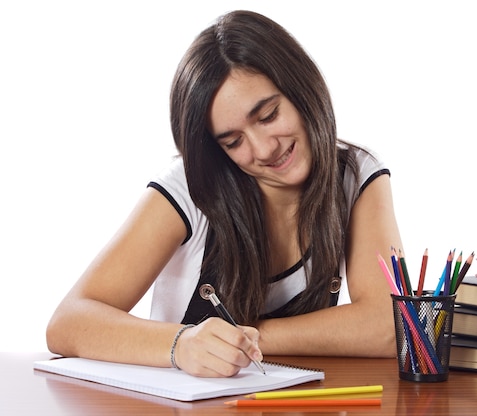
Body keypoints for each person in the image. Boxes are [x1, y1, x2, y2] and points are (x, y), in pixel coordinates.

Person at [46, 10, 403, 378]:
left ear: (302, 89)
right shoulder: (189, 187)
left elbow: (389, 325)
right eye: (233, 142)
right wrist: (182, 345)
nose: (264, 149)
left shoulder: (357, 175)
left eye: (268, 116)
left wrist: (247, 339)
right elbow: (69, 321)